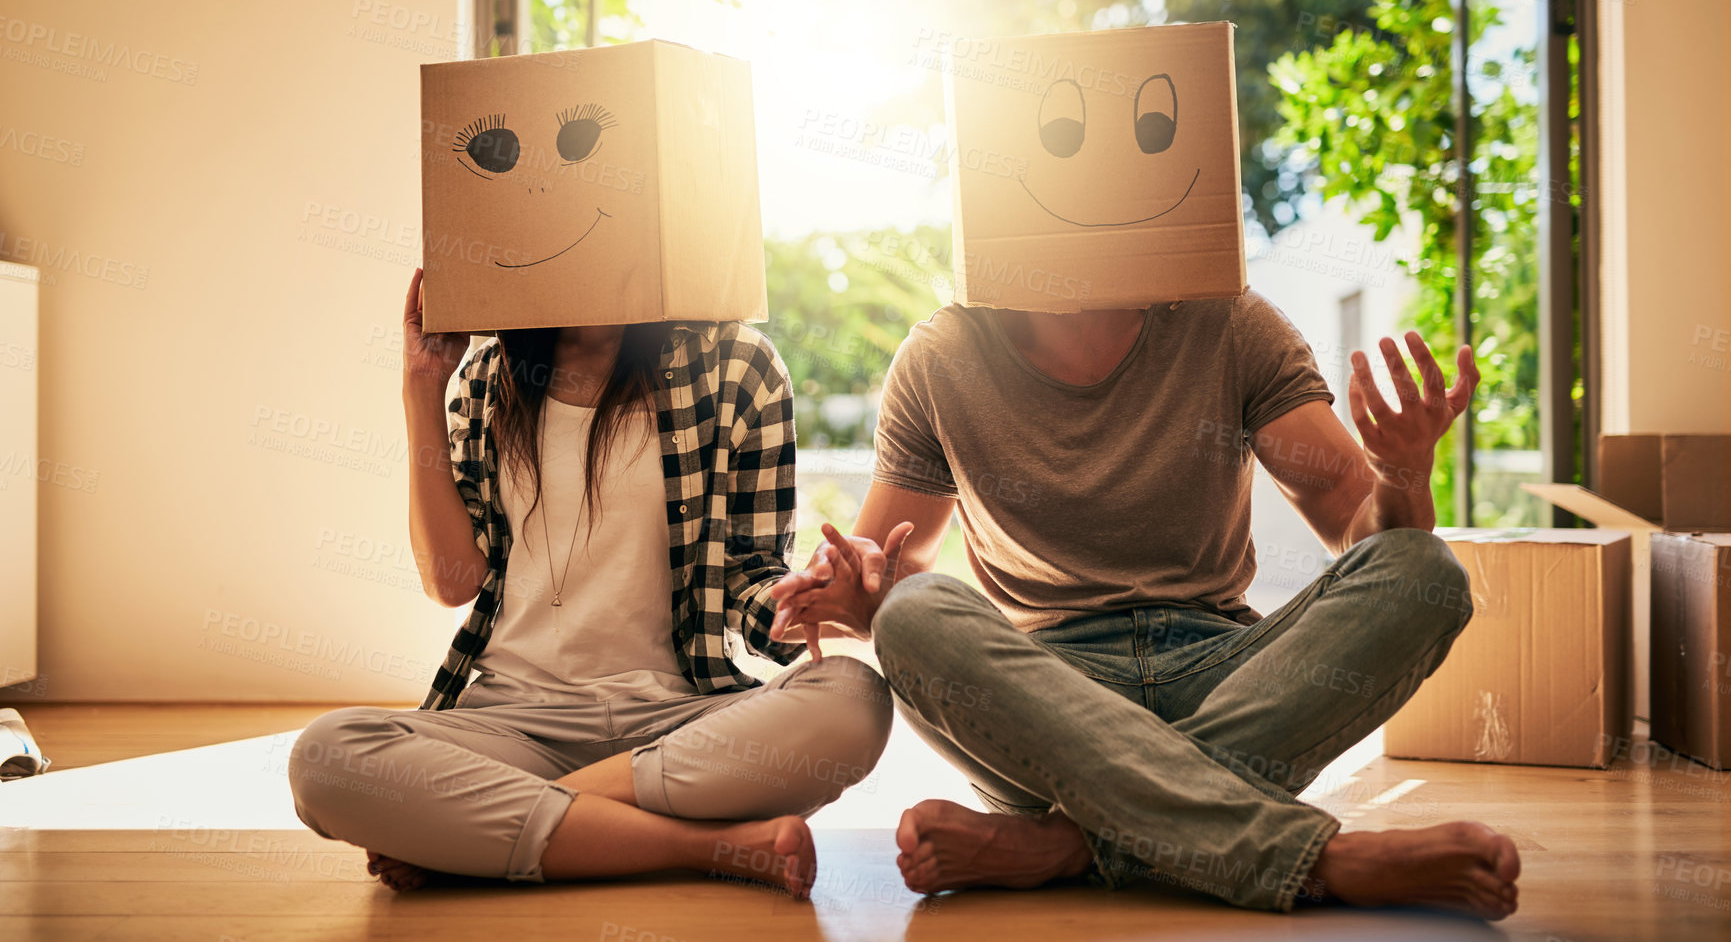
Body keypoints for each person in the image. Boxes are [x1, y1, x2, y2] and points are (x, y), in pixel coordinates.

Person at [769, 293, 1523, 919]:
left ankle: (1067, 845)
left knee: (1421, 566)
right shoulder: (941, 355)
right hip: (1044, 699)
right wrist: (851, 598)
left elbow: (1368, 534)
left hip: (1225, 671)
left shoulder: (1229, 322)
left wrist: (1398, 473)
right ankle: (1318, 856)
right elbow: (879, 580)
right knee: (913, 612)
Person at [287, 268, 892, 897]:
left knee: (855, 702)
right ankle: (705, 847)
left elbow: (748, 575)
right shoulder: (487, 377)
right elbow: (451, 580)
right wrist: (422, 384)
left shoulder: (737, 366)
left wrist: (814, 599)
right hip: (515, 725)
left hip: (680, 723)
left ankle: (514, 828)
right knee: (325, 757)